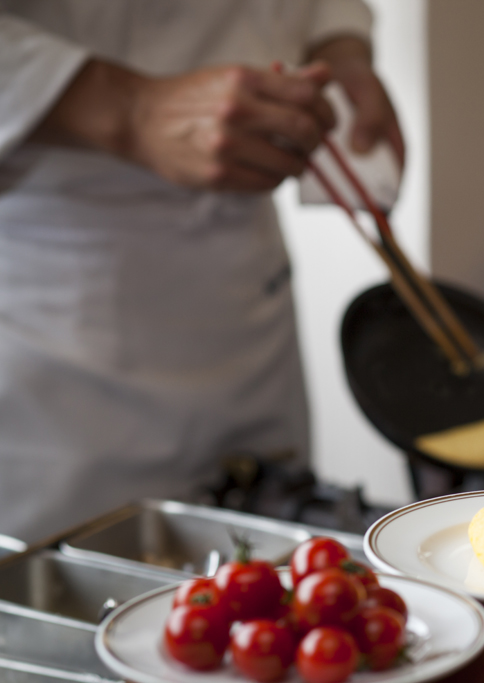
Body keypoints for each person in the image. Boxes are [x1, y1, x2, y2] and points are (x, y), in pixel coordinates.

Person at [0, 0, 403, 543]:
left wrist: (340, 49)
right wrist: (130, 109)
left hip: (246, 292)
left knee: (278, 585)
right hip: (55, 314)